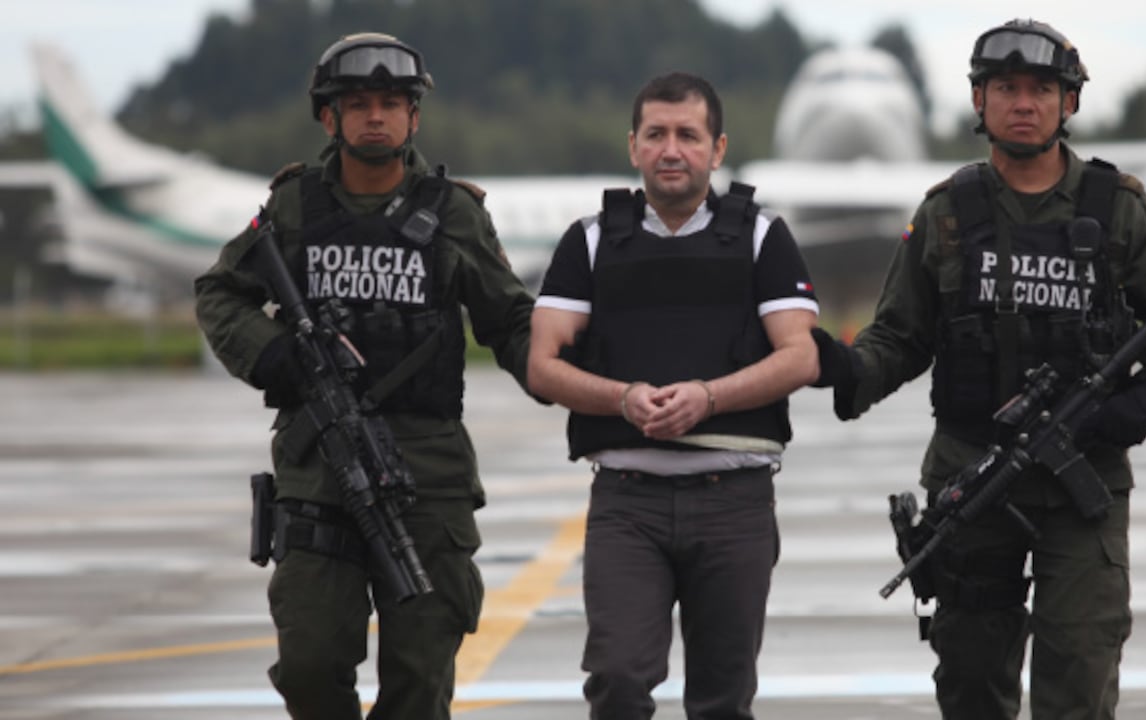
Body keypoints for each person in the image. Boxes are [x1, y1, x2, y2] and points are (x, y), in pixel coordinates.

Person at [810, 19, 1146, 720]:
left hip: (1081, 483)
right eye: (1005, 88)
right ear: (979, 100)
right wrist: (839, 368)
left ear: (1070, 104)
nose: (1023, 103)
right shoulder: (946, 214)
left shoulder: (1116, 207)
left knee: (1079, 674)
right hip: (973, 476)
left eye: (1041, 89)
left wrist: (1145, 402)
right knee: (971, 680)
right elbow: (901, 337)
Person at [194, 32, 534, 720]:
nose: (375, 116)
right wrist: (273, 355)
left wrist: (591, 386)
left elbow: (513, 323)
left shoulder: (455, 214)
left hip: (429, 479)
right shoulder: (292, 208)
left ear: (415, 117)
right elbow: (219, 293)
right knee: (312, 667)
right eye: (357, 104)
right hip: (320, 475)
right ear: (329, 118)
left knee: (419, 680)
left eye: (391, 103)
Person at [526, 72, 819, 720]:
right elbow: (541, 364)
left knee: (722, 700)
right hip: (628, 505)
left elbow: (801, 354)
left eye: (689, 135)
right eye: (656, 134)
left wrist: (709, 398)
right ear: (633, 147)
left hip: (733, 503)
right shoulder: (592, 239)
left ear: (717, 149)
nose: (671, 149)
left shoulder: (762, 236)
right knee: (619, 681)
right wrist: (623, 399)